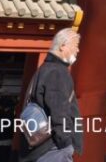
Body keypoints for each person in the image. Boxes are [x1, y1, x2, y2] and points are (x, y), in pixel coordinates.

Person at [20, 27, 82, 162]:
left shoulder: (44, 69)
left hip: (41, 147)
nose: (77, 50)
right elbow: (59, 111)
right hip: (53, 147)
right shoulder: (58, 72)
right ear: (63, 45)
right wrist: (66, 143)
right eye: (76, 46)